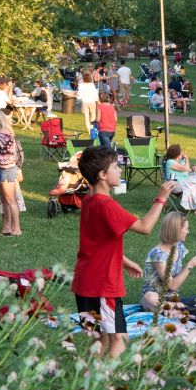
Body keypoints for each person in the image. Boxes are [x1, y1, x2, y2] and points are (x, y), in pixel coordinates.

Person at [72, 146, 173, 356]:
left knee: (101, 337)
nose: (120, 170)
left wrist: (125, 262)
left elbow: (98, 243)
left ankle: (87, 383)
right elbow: (145, 227)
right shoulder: (106, 205)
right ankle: (99, 383)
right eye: (116, 166)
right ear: (102, 174)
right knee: (120, 339)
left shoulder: (89, 201)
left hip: (86, 280)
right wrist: (161, 198)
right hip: (101, 285)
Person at [141, 212, 196, 312]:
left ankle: (177, 308)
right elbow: (172, 285)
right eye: (186, 228)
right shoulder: (158, 254)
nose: (188, 232)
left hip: (173, 298)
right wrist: (190, 265)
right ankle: (180, 309)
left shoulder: (179, 248)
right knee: (149, 297)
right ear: (177, 230)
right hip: (155, 297)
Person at [0, 110, 25, 237]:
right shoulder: (1, 130)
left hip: (7, 170)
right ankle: (6, 228)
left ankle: (17, 229)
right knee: (4, 200)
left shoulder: (4, 131)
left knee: (10, 200)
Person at [77, 70, 100, 134]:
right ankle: (92, 129)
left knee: (86, 117)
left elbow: (79, 96)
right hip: (92, 101)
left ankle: (89, 131)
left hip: (85, 102)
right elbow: (95, 94)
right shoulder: (91, 85)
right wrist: (97, 100)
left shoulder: (81, 85)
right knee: (93, 115)